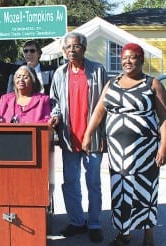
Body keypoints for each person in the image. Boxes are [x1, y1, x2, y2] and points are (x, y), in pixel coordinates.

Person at [82, 43, 166, 246]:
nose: (128, 61)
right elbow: (99, 111)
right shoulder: (112, 83)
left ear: (141, 60)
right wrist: (88, 134)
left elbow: (164, 118)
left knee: (146, 191)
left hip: (145, 151)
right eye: (125, 57)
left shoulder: (152, 83)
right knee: (120, 192)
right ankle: (124, 234)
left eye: (133, 57)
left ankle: (148, 236)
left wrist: (164, 147)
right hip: (118, 153)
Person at [49, 32, 108, 243]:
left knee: (93, 182)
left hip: (92, 138)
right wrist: (55, 117)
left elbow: (106, 105)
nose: (71, 50)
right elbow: (54, 103)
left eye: (76, 46)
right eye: (68, 48)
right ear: (64, 51)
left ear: (84, 48)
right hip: (69, 138)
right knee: (70, 182)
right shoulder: (59, 73)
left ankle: (94, 224)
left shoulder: (97, 70)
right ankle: (76, 221)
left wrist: (103, 135)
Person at [0, 24, 56, 95]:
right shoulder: (16, 68)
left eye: (32, 51)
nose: (29, 53)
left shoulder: (50, 72)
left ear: (39, 53)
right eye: (26, 51)